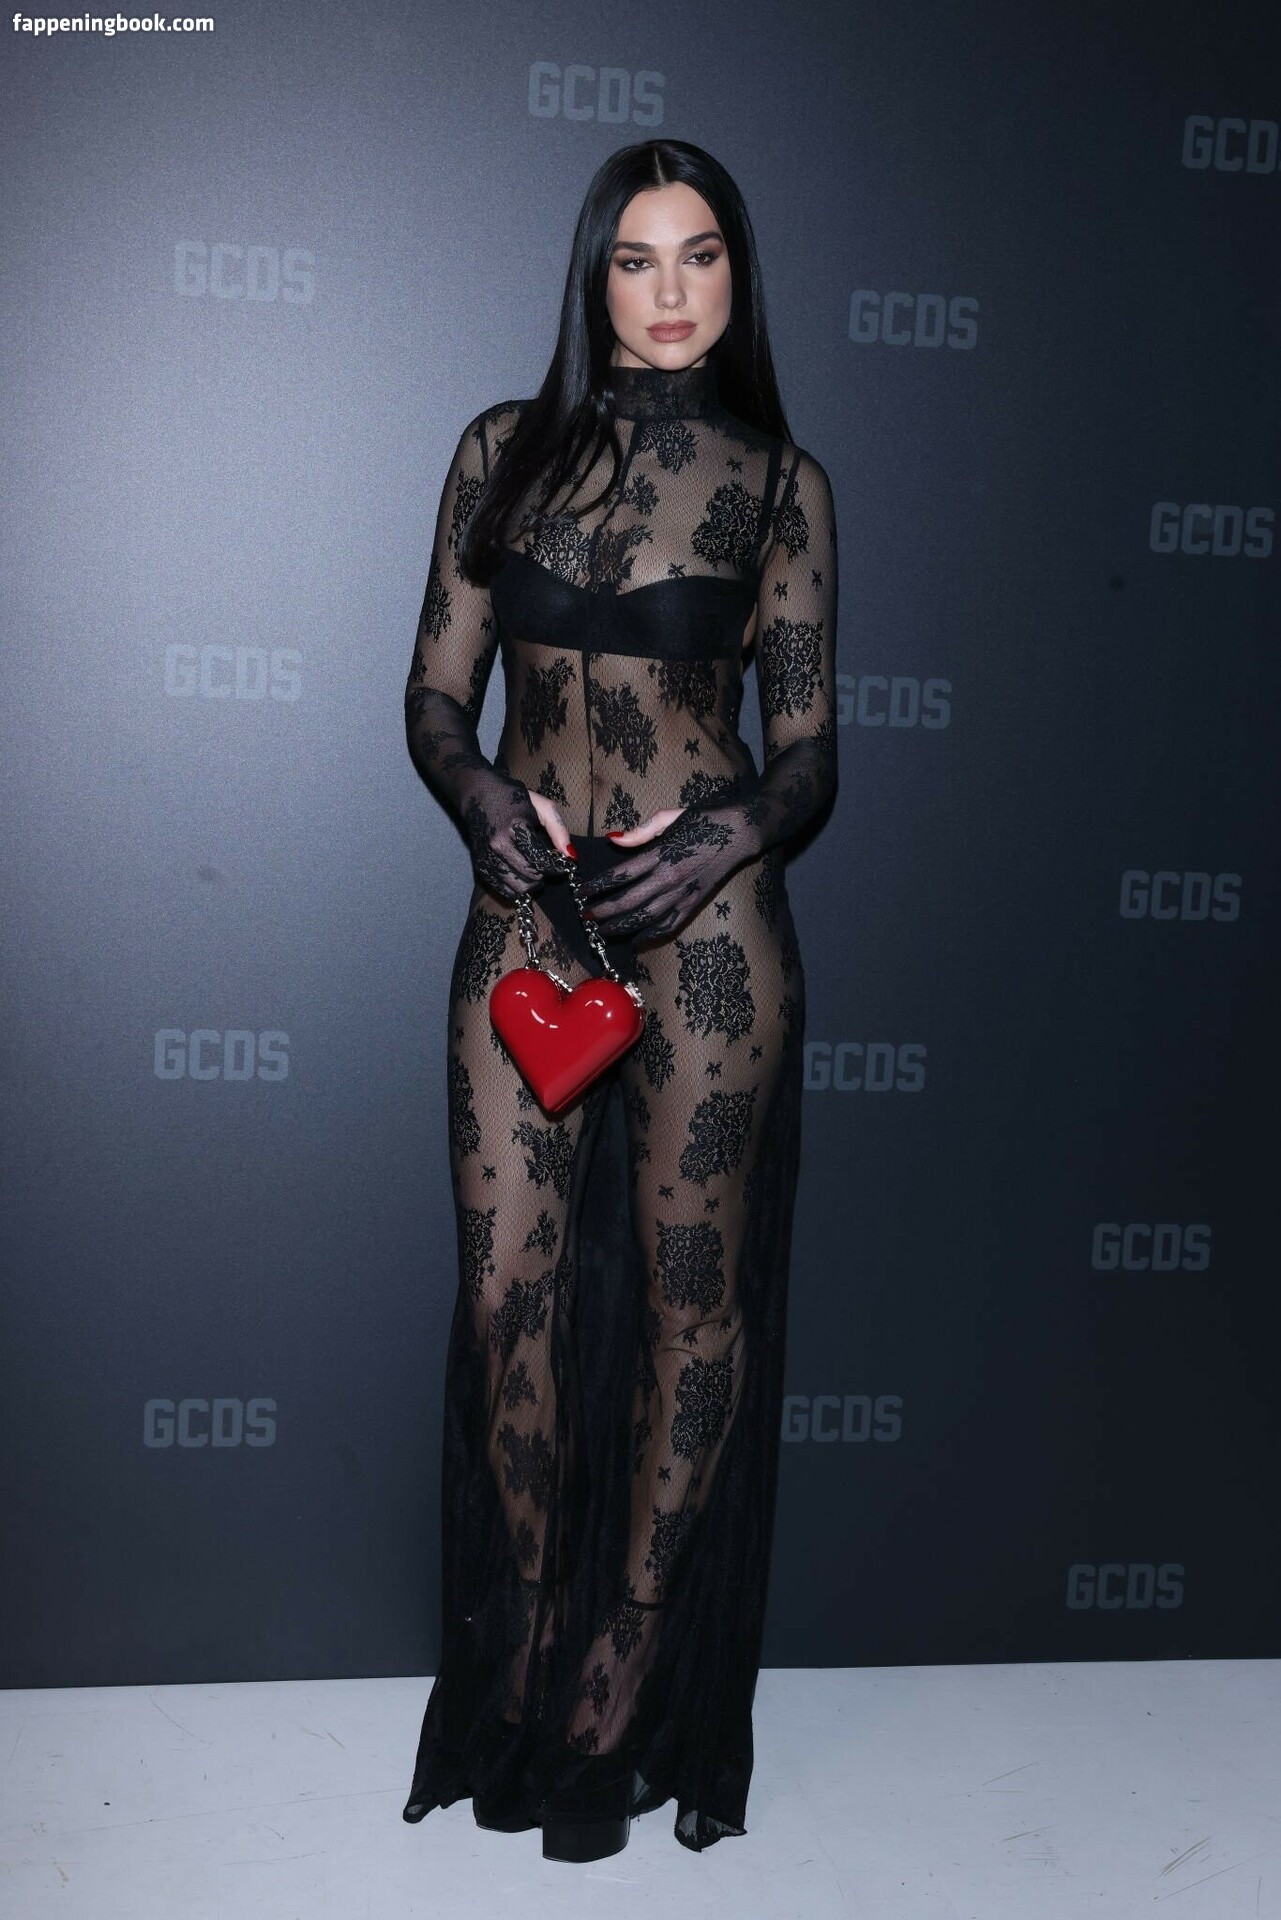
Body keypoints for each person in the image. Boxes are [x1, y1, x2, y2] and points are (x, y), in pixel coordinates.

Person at [400, 137, 838, 1861]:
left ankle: (622, 1669)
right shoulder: (496, 455)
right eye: (638, 259)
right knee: (503, 1292)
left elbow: (807, 752)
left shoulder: (780, 485)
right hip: (530, 919)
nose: (671, 291)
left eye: (701, 255)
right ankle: (520, 1642)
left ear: (736, 277)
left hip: (708, 937)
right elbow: (434, 695)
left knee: (684, 1311)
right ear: (594, 277)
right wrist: (480, 798)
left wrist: (723, 832)